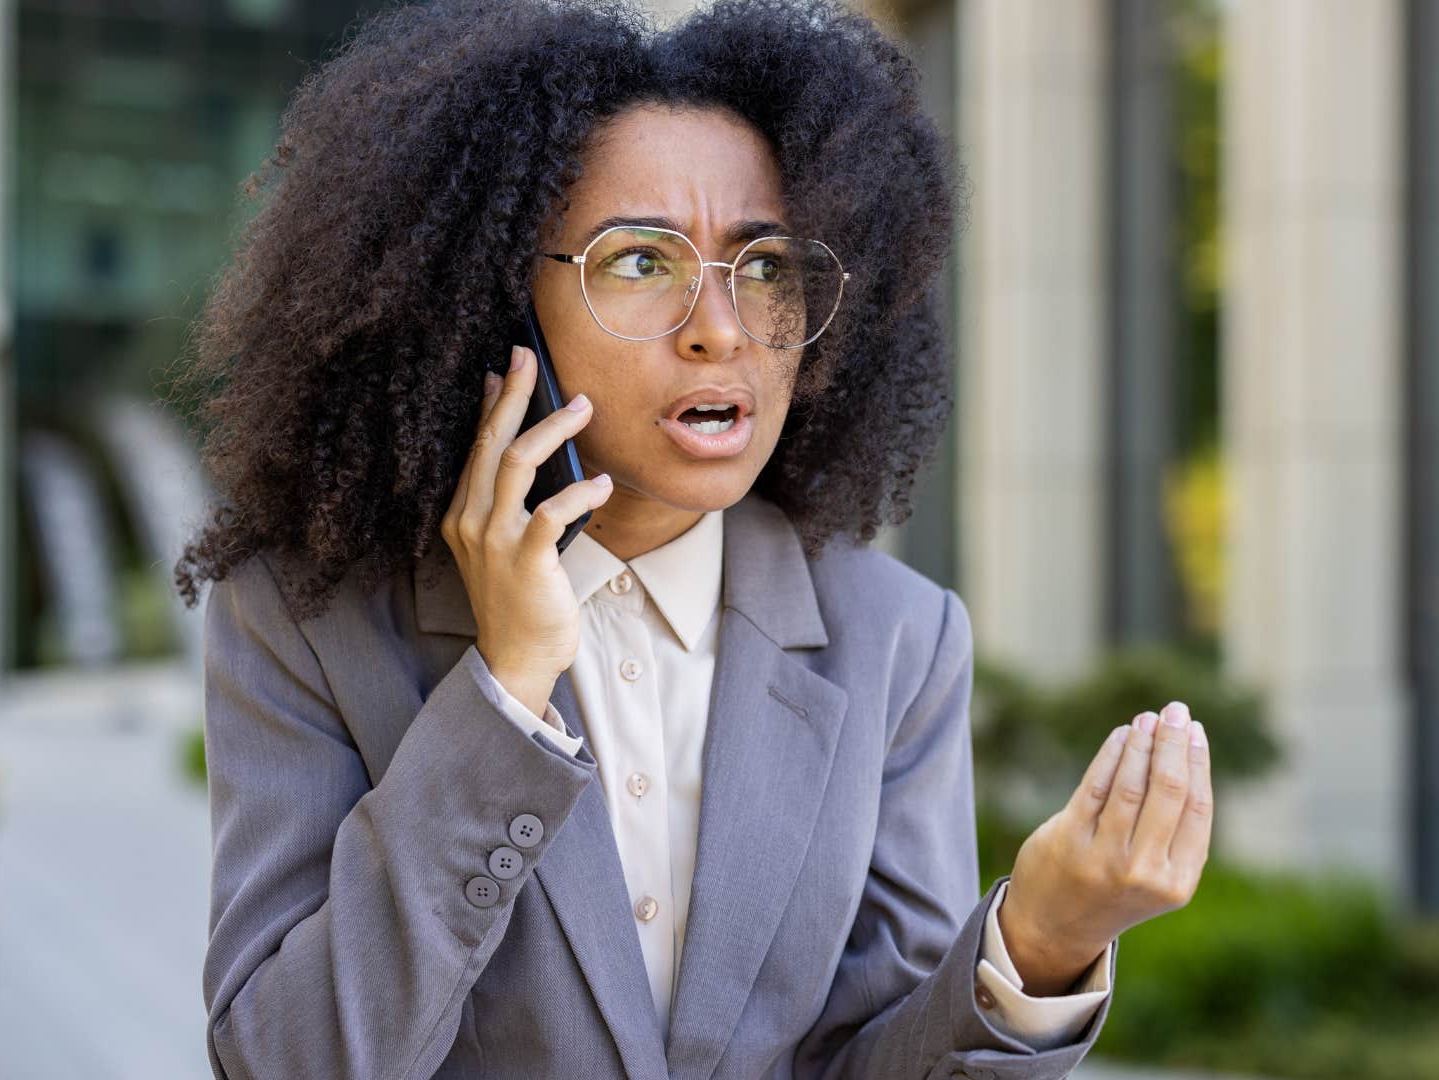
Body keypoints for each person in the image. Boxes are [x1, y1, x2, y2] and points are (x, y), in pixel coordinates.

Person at [172, 2, 1214, 1077]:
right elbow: (283, 1057)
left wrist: (1042, 941)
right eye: (640, 262)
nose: (719, 326)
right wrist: (506, 696)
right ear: (494, 303)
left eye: (764, 266)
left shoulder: (896, 638)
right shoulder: (303, 620)